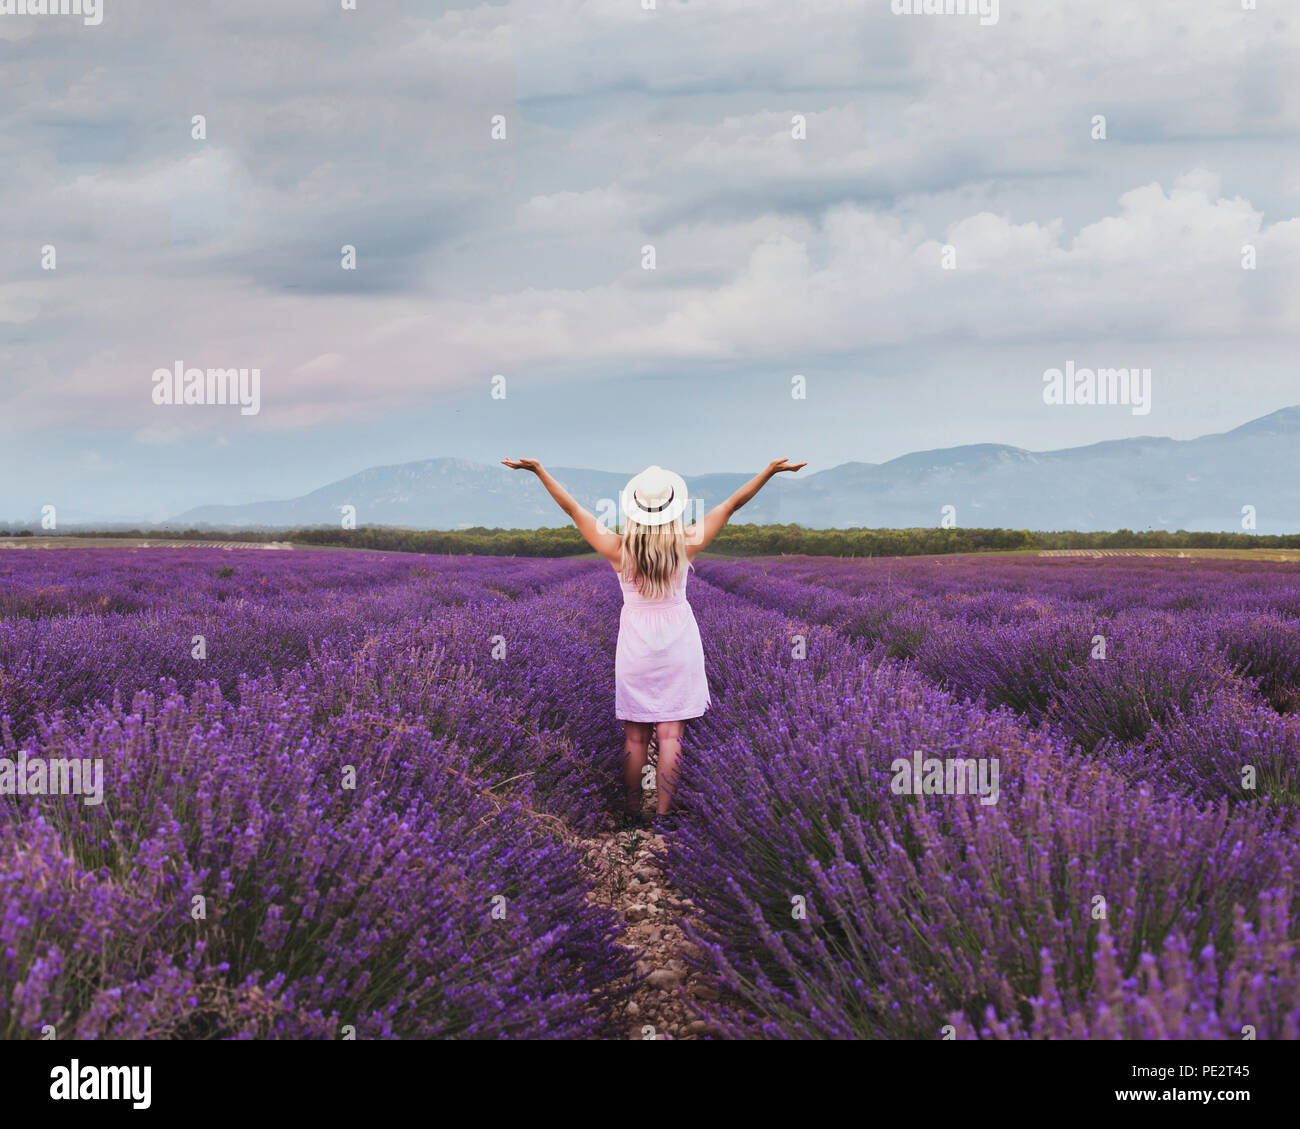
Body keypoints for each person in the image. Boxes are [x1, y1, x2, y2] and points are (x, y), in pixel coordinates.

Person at [500, 457, 807, 830]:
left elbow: (571, 508)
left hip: (635, 646)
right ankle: (664, 814)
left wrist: (539, 471)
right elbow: (732, 504)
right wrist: (769, 472)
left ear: (634, 509)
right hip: (678, 643)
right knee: (671, 734)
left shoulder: (618, 549)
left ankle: (631, 811)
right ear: (672, 508)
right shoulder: (685, 545)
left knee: (635, 736)